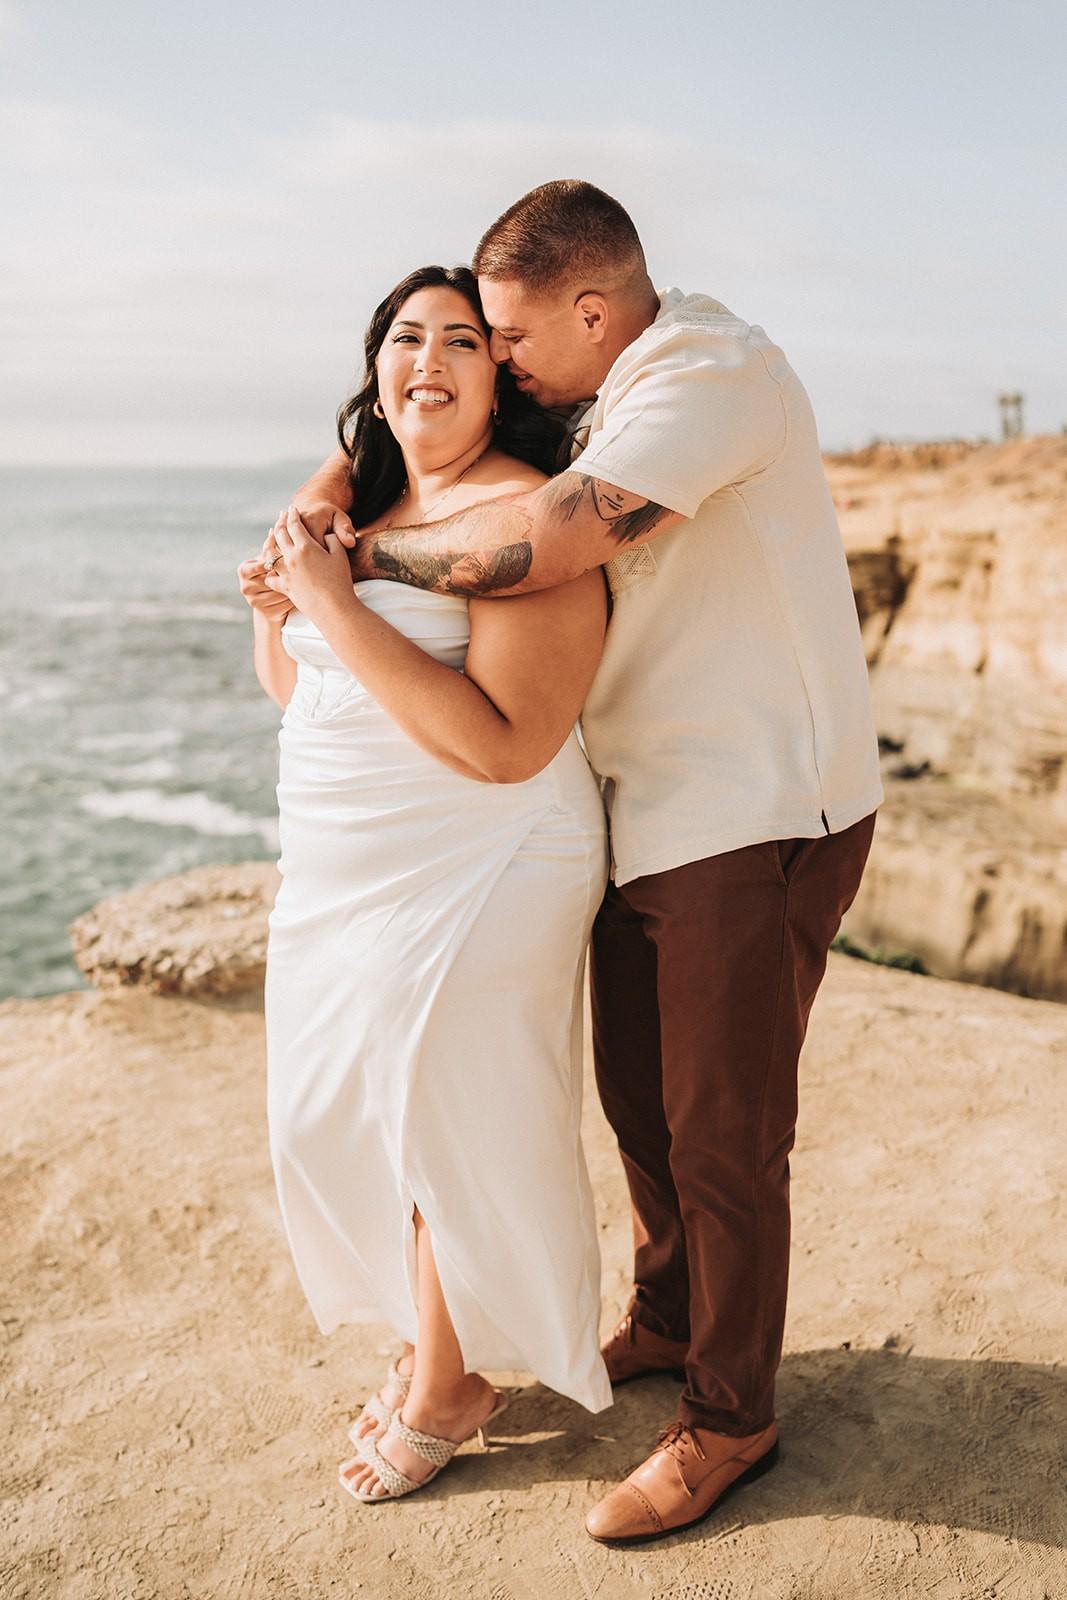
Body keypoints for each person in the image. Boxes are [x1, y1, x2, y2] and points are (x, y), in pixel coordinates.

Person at [285, 180, 884, 1545]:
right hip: (638, 808)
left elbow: (545, 540)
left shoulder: (707, 377)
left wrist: (353, 559)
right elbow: (397, 420)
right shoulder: (587, 390)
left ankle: (729, 1418)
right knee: (640, 1107)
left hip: (755, 806)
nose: (495, 361)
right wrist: (324, 492)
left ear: (594, 311)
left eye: (507, 335)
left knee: (723, 1134)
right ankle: (666, 1321)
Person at [238, 264, 613, 1505]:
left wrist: (328, 600)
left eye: (461, 338)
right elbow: (302, 692)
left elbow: (508, 746)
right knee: (358, 1111)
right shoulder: (369, 509)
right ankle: (437, 1337)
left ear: (500, 380)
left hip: (491, 851)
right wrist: (280, 609)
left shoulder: (524, 517)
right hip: (352, 862)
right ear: (376, 366)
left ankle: (450, 1382)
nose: (429, 358)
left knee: (454, 1107)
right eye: (406, 336)